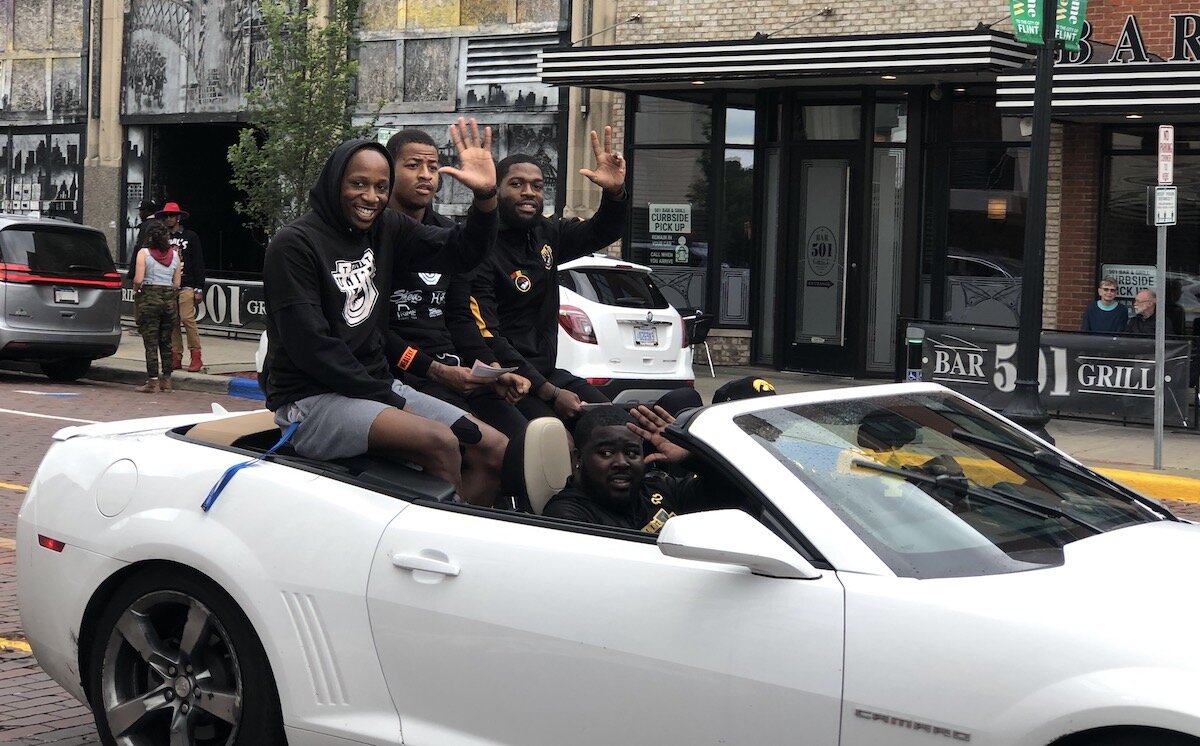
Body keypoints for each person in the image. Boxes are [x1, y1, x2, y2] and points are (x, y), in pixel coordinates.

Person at [261, 118, 508, 506]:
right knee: (442, 441)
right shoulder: (294, 245)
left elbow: (461, 253)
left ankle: (464, 538)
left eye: (381, 187)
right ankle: (434, 548)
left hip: (375, 387)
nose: (371, 197)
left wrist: (486, 198)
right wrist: (392, 401)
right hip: (311, 398)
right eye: (358, 184)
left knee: (492, 445)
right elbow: (313, 347)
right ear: (335, 183)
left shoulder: (385, 227)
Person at [451, 126, 628, 426]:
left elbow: (602, 232)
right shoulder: (476, 246)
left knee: (615, 424)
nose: (529, 192)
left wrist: (614, 194)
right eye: (517, 184)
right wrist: (550, 392)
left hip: (547, 373)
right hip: (503, 378)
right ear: (496, 188)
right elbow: (487, 335)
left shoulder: (548, 232)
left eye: (537, 185)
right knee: (554, 441)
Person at [382, 128, 531, 440]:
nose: (425, 175)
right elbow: (372, 330)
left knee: (525, 441)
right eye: (412, 166)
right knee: (480, 444)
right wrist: (435, 371)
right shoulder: (372, 234)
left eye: (433, 167)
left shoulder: (449, 235)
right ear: (388, 171)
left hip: (457, 369)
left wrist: (490, 368)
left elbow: (460, 316)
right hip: (400, 372)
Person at [542, 404, 708, 532]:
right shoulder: (566, 514)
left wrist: (692, 457)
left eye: (631, 452)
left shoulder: (660, 487)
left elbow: (727, 493)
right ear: (579, 458)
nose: (622, 462)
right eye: (606, 453)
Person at [156, 201, 207, 372]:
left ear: (178, 218)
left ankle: (196, 355)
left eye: (171, 216)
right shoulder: (163, 238)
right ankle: (176, 354)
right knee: (172, 321)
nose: (169, 219)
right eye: (166, 216)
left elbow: (198, 261)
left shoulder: (190, 237)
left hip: (187, 284)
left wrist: (199, 287)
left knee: (187, 318)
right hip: (168, 284)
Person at [131, 219, 180, 393]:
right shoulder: (175, 255)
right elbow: (176, 283)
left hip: (149, 299)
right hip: (168, 299)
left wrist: (137, 290)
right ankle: (167, 379)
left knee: (150, 342)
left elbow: (138, 279)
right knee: (166, 341)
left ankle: (152, 381)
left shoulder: (143, 253)